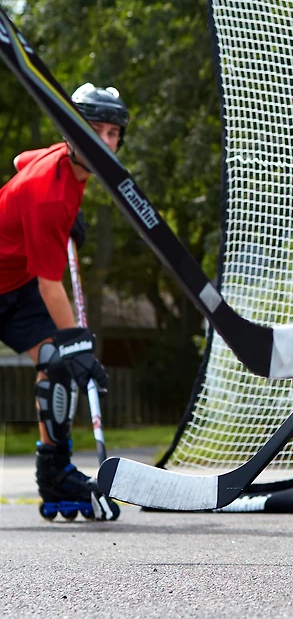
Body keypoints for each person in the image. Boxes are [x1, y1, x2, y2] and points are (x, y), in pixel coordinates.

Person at [0, 84, 129, 520]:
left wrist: (72, 218)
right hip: (24, 284)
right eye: (96, 130)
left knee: (55, 361)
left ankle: (54, 476)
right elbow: (50, 285)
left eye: (113, 132)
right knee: (68, 352)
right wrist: (80, 343)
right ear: (73, 132)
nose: (106, 142)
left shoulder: (63, 160)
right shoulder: (49, 195)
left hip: (12, 284)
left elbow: (21, 160)